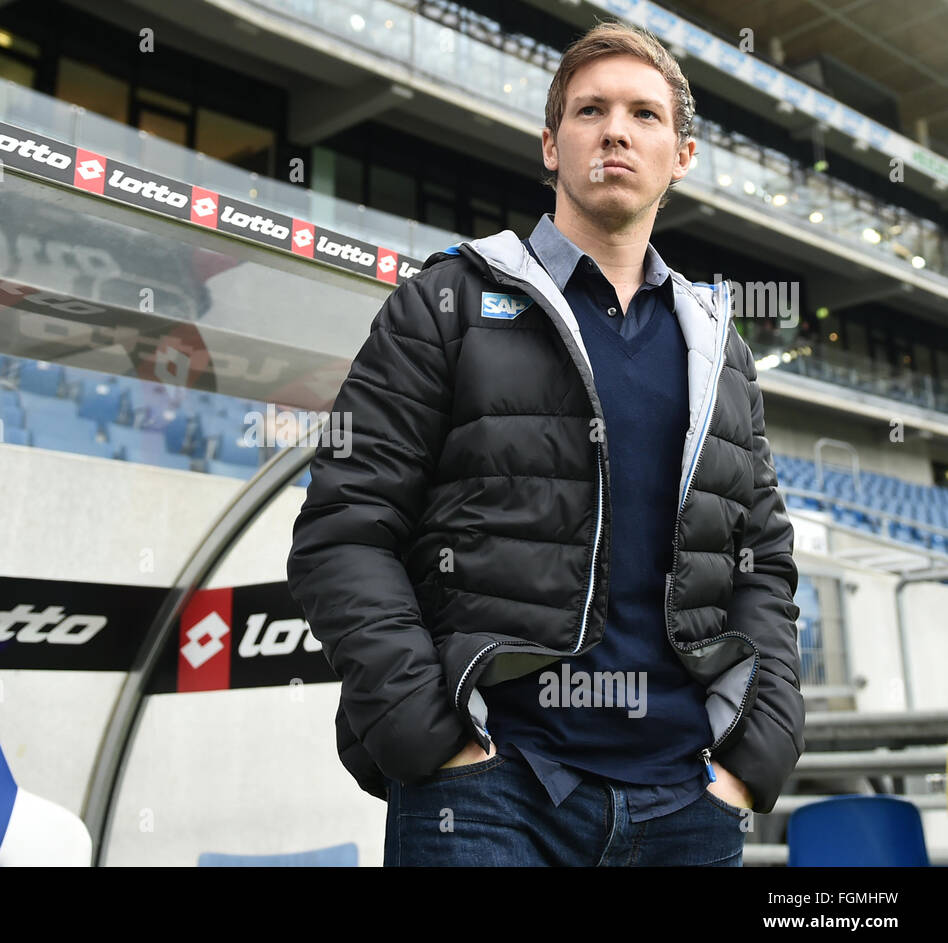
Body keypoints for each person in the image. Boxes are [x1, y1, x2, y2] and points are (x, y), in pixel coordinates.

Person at [286, 20, 804, 866]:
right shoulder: (444, 304)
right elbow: (344, 532)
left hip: (684, 802)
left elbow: (765, 565)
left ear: (682, 155)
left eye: (644, 114)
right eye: (590, 110)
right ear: (550, 146)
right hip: (491, 795)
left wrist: (751, 761)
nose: (615, 131)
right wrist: (434, 741)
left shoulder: (721, 351)